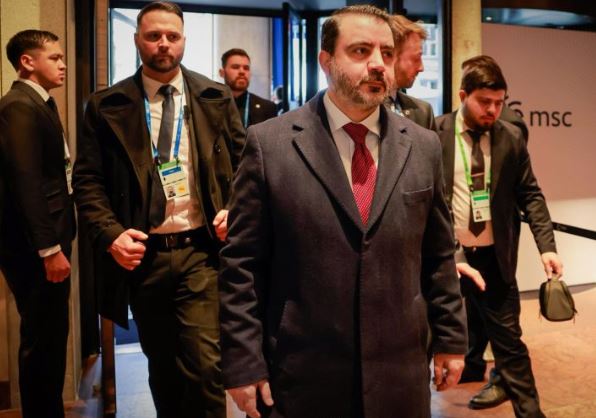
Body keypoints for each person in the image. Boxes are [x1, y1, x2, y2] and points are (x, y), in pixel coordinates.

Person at [218, 5, 467, 418]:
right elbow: (242, 264)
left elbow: (438, 253)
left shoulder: (423, 146)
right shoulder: (270, 144)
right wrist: (244, 362)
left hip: (399, 374)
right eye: (360, 51)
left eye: (387, 53)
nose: (378, 64)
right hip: (303, 373)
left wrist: (451, 338)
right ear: (326, 61)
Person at [72, 2, 245, 417]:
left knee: (205, 367)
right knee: (163, 367)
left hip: (201, 251)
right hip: (142, 256)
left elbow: (247, 168)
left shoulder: (215, 97)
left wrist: (234, 209)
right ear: (137, 41)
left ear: (184, 40)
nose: (163, 43)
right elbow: (87, 181)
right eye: (153, 36)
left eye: (172, 35)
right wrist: (111, 234)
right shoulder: (106, 105)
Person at [436, 57, 563, 417]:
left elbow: (531, 195)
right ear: (463, 96)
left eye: (499, 102)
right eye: (484, 102)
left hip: (494, 258)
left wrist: (547, 247)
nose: (492, 110)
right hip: (448, 260)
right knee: (428, 341)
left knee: (510, 344)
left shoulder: (511, 137)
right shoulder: (434, 133)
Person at [0, 29, 75, 418]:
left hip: (49, 242)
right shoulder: (18, 106)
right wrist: (49, 249)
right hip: (37, 249)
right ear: (27, 61)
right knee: (42, 343)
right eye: (55, 58)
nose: (63, 65)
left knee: (50, 339)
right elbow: (25, 181)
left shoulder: (39, 101)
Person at [388, 15, 436, 131]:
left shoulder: (423, 112)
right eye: (416, 58)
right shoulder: (361, 111)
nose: (421, 68)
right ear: (392, 55)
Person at [219, 48, 278, 127]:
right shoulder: (210, 105)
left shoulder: (268, 108)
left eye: (246, 68)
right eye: (235, 67)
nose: (242, 72)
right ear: (222, 73)